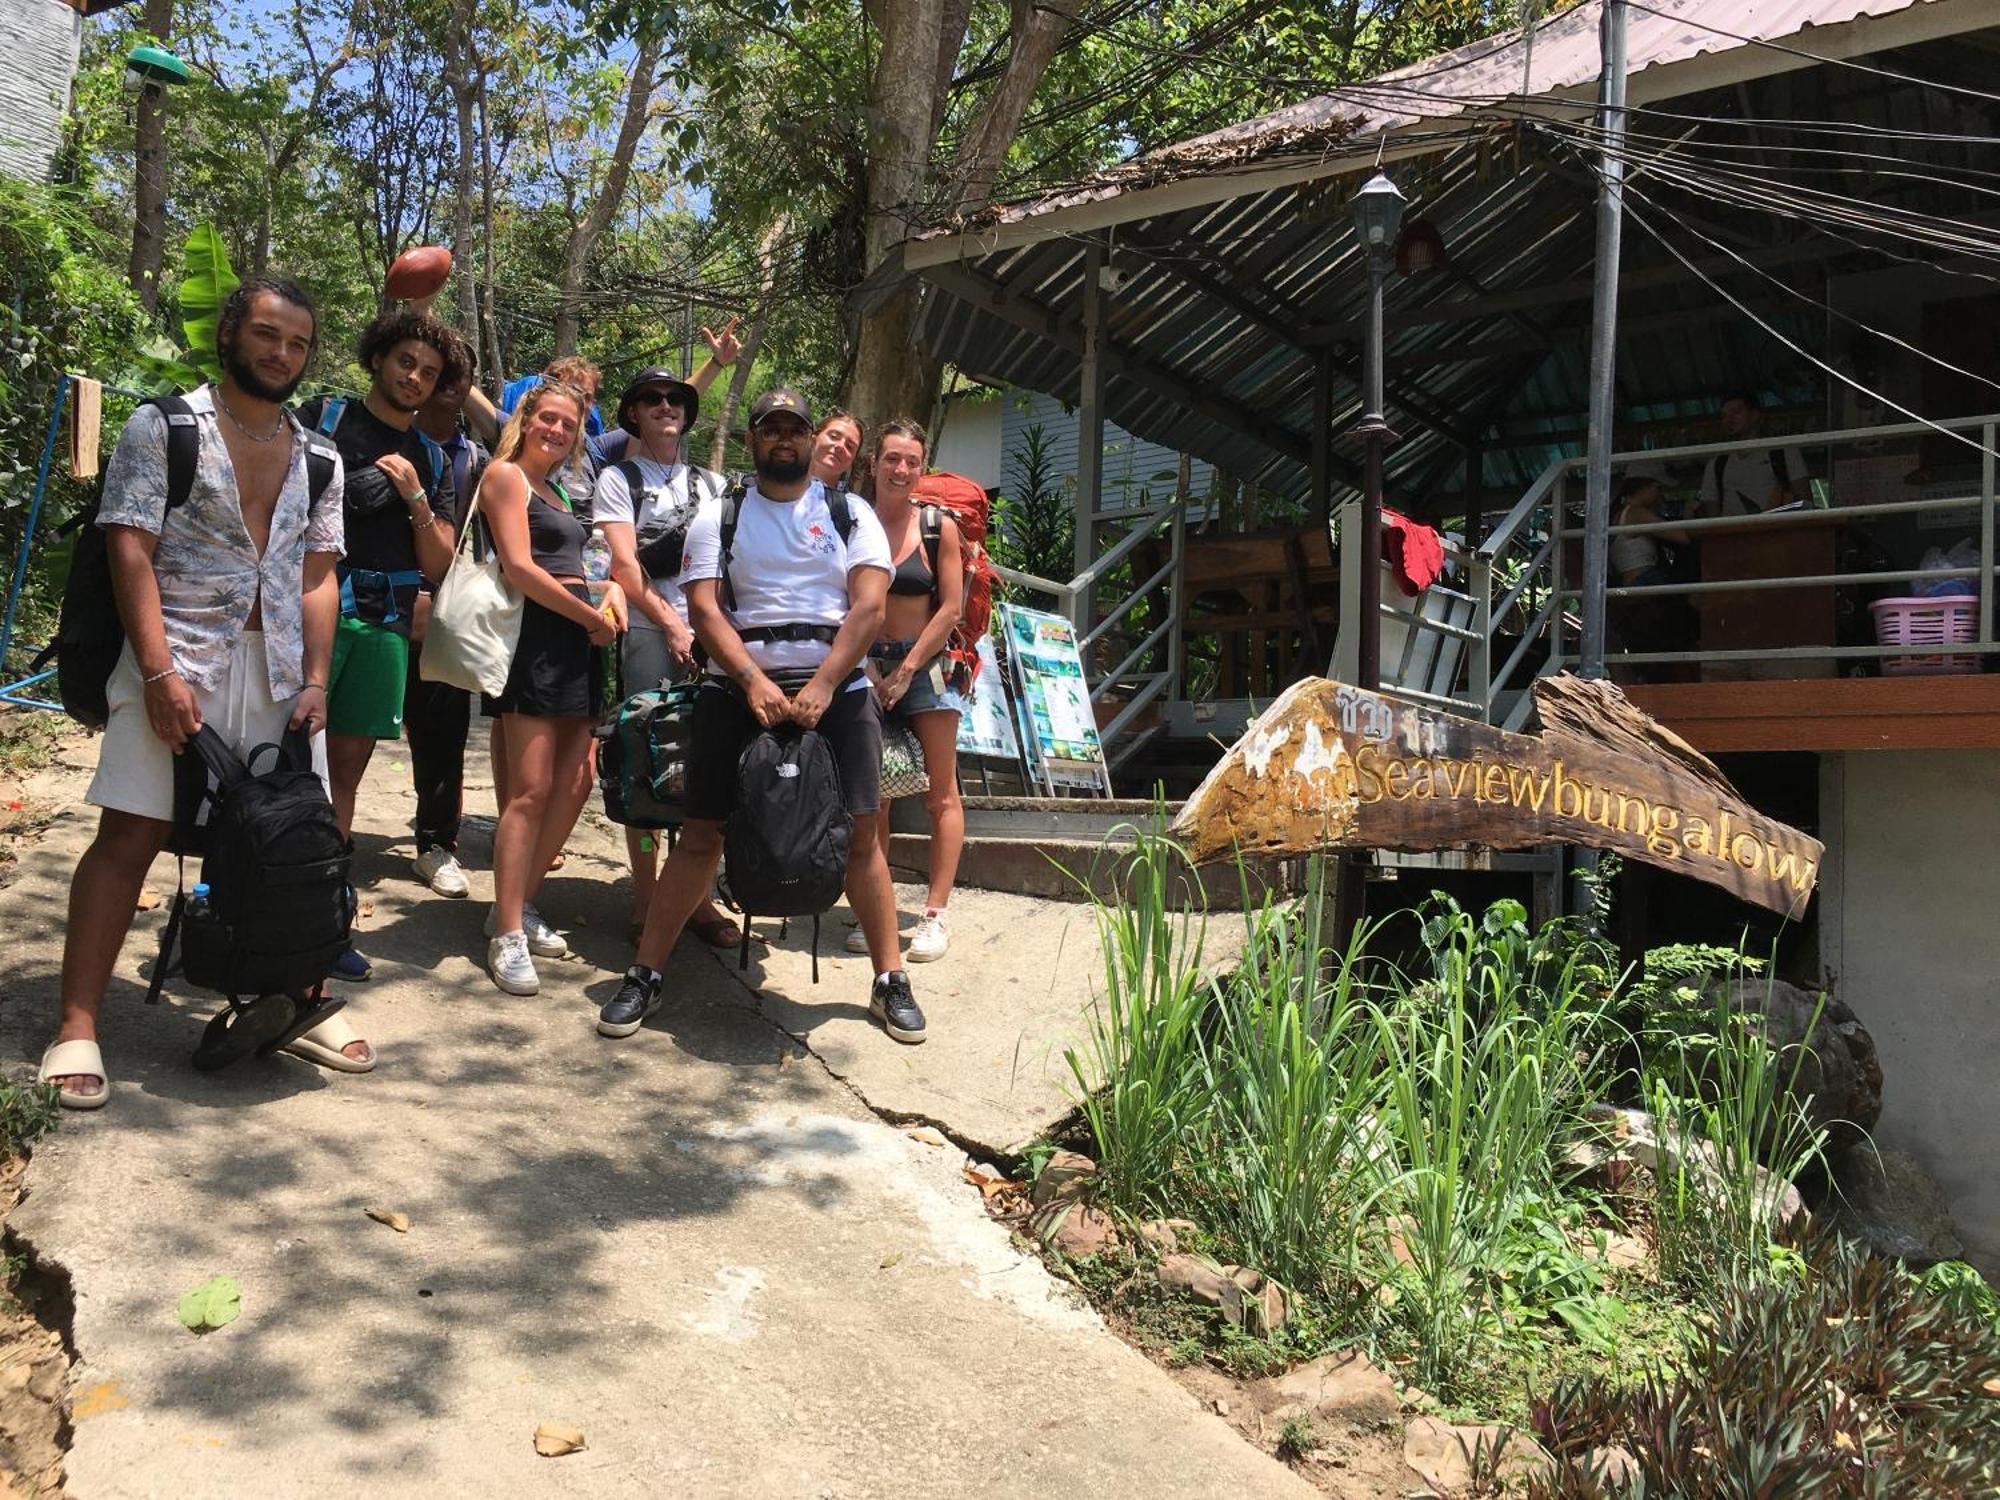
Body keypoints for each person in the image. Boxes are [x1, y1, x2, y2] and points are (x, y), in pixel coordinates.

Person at [38, 276, 367, 1109]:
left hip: (282, 672)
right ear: (231, 334)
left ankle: (301, 997)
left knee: (296, 840)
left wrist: (319, 679)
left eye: (296, 343)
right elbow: (130, 550)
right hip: (180, 655)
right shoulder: (165, 427)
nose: (280, 354)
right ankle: (78, 1022)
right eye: (266, 335)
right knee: (133, 832)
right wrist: (156, 671)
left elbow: (319, 574)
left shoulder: (320, 455)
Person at [598, 388, 927, 1046]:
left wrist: (826, 685)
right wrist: (749, 679)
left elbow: (867, 609)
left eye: (795, 429)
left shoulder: (848, 512)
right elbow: (704, 609)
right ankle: (646, 973)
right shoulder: (719, 515)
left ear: (809, 439)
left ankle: (890, 978)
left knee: (863, 837)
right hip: (735, 689)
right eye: (771, 429)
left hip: (837, 691)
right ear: (753, 439)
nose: (785, 440)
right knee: (700, 835)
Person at [297, 311, 465, 979]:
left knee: (344, 772)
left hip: (382, 622)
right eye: (405, 361)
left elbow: (441, 564)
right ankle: (246, 895)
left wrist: (416, 498)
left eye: (427, 371)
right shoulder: (325, 418)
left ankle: (322, 916)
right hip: (307, 613)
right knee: (278, 756)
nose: (414, 376)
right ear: (379, 359)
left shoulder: (429, 455)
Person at [478, 382, 627, 995]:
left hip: (578, 639)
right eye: (549, 419)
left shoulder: (560, 488)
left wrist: (608, 593)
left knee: (576, 780)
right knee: (531, 790)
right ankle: (507, 930)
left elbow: (575, 568)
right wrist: (589, 616)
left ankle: (518, 902)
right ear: (527, 418)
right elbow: (519, 567)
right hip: (537, 640)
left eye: (570, 424)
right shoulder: (505, 476)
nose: (558, 431)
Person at [591, 367, 740, 947]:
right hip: (652, 631)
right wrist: (673, 624)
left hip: (708, 633)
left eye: (675, 398)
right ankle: (646, 896)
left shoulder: (714, 484)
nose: (664, 406)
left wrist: (710, 630)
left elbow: (728, 563)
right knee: (645, 757)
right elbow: (624, 567)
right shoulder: (617, 479)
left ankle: (698, 900)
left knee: (706, 762)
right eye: (651, 399)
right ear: (633, 413)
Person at [846, 419, 964, 964]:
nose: (901, 469)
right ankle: (879, 907)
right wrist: (866, 665)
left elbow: (951, 608)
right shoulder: (850, 520)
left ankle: (935, 916)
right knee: (877, 795)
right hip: (864, 667)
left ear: (922, 467)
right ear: (874, 462)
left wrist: (907, 669)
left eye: (912, 461)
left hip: (927, 667)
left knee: (941, 793)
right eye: (892, 458)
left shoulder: (938, 527)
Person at [403, 338, 486, 898]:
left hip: (443, 612)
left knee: (442, 736)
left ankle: (437, 842)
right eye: (445, 372)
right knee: (343, 733)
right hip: (365, 608)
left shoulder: (476, 457)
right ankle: (320, 835)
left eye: (465, 374)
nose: (454, 383)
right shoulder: (384, 438)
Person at [1609, 467, 1698, 682]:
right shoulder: (1636, 513)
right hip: (1646, 581)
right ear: (1644, 487)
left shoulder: (1620, 513)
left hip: (1633, 584)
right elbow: (1683, 537)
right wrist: (1689, 515)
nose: (1660, 494)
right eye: (1657, 488)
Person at [1698, 391, 1810, 517]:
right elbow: (1711, 515)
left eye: (1736, 412)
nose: (1728, 419)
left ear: (1755, 415)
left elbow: (1804, 501)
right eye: (1724, 416)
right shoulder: (1716, 464)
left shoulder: (1784, 452)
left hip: (1778, 531)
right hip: (1734, 534)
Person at [810, 410, 865, 489]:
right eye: (833, 437)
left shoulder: (852, 501)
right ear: (813, 439)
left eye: (849, 446)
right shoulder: (785, 483)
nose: (841, 446)